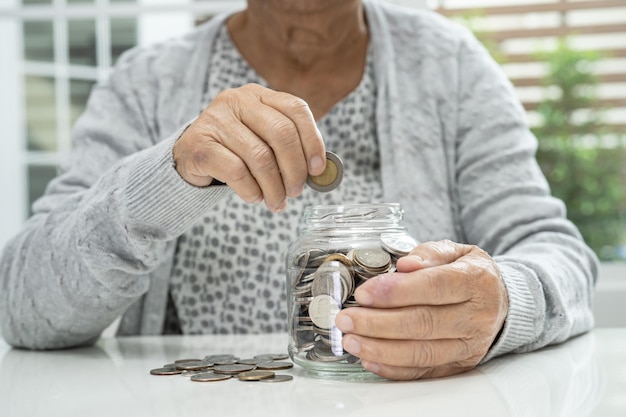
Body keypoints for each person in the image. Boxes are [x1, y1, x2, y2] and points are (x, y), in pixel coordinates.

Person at [0, 0, 597, 381]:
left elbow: (556, 251)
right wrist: (166, 179)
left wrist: (502, 302)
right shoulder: (143, 83)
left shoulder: (454, 67)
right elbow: (22, 304)